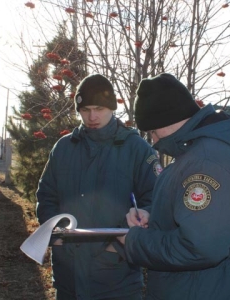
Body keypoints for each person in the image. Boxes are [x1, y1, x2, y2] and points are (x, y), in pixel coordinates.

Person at [118, 73, 230, 299]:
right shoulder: (194, 153)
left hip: (201, 290)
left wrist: (135, 242)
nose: (153, 141)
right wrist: (153, 216)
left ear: (166, 120)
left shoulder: (206, 162)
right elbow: (196, 217)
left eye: (152, 132)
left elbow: (199, 247)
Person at [36, 74, 162, 300]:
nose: (92, 116)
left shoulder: (136, 148)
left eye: (99, 108)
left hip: (117, 278)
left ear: (112, 108)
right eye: (85, 110)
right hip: (68, 276)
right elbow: (46, 195)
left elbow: (156, 201)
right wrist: (55, 233)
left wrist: (118, 249)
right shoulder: (64, 148)